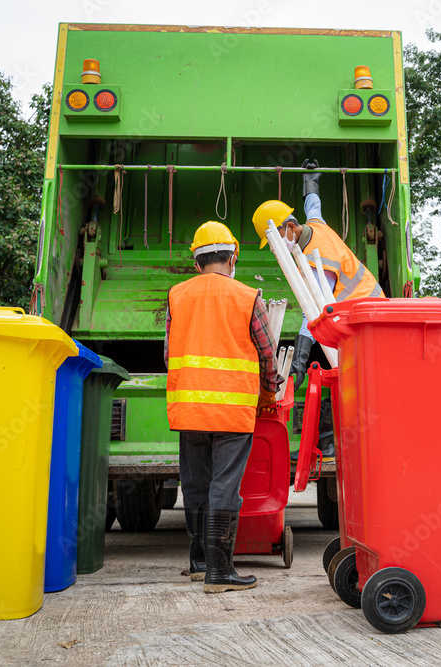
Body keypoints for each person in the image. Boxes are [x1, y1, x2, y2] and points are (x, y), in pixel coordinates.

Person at [165, 221, 280, 593]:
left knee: (195, 484)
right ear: (232, 258)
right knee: (224, 487)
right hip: (232, 411)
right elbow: (266, 354)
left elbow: (169, 355)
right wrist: (267, 395)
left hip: (189, 410)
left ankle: (199, 563)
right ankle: (220, 572)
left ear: (196, 263)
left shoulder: (176, 296)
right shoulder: (248, 296)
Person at [251, 159, 385, 461]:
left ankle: (328, 443)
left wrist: (297, 360)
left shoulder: (316, 262)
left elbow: (312, 313)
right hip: (366, 311)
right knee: (341, 375)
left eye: (274, 242)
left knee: (343, 379)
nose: (275, 248)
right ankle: (328, 441)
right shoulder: (315, 227)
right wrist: (310, 183)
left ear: (288, 228)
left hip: (365, 319)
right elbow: (314, 206)